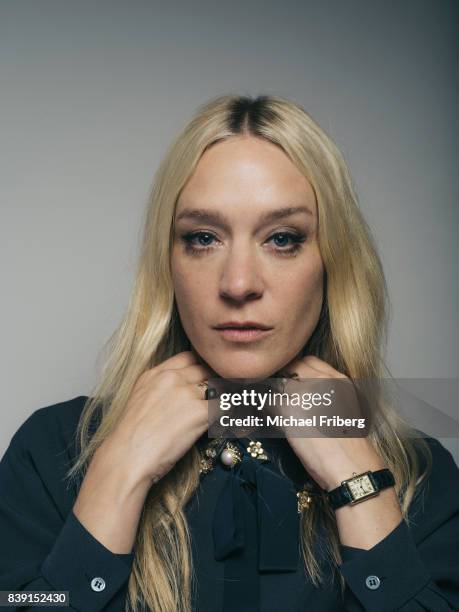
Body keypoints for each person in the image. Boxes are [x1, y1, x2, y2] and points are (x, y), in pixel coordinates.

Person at [1, 94, 458, 612]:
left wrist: (363, 489)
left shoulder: (422, 472)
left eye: (282, 238)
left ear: (333, 261)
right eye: (203, 237)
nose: (238, 283)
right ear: (167, 263)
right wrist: (117, 475)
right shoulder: (51, 450)